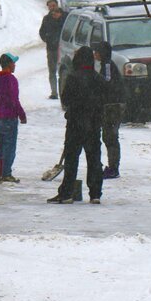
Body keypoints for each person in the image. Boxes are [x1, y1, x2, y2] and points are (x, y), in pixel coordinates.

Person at [48, 46, 104, 204]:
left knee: (72, 159)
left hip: (75, 124)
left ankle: (66, 193)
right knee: (94, 159)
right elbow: (103, 100)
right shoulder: (97, 78)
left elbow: (65, 100)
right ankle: (95, 194)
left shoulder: (73, 77)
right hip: (93, 124)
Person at [0, 53, 28, 183]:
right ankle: (6, 173)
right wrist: (22, 115)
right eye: (14, 63)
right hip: (10, 117)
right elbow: (14, 100)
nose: (15, 65)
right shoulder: (11, 80)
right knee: (9, 146)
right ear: (9, 65)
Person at [94, 41, 125, 179]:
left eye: (97, 52)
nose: (95, 54)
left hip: (113, 105)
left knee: (110, 137)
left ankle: (113, 168)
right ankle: (113, 166)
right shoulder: (106, 64)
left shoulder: (107, 65)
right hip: (113, 104)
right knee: (110, 136)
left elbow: (106, 82)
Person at [38, 0, 67, 99]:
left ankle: (65, 92)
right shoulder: (46, 19)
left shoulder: (65, 16)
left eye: (53, 5)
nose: (52, 8)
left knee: (64, 71)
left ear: (57, 5)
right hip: (51, 49)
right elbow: (41, 32)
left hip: (65, 49)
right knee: (52, 71)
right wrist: (47, 39)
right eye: (50, 6)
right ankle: (54, 92)